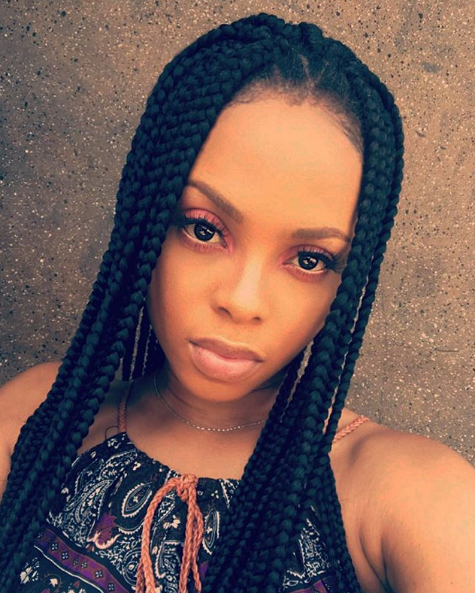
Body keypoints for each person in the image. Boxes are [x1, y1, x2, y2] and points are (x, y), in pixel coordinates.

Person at [0, 11, 474, 593]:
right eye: (203, 229)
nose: (242, 301)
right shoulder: (36, 418)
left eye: (309, 259)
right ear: (145, 221)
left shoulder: (407, 494)